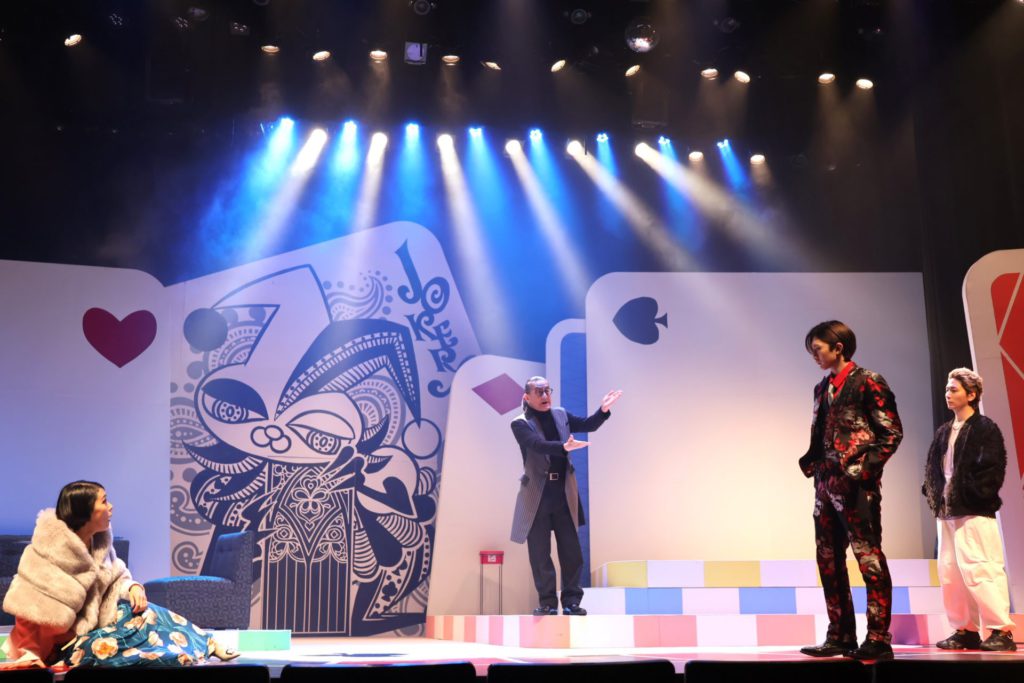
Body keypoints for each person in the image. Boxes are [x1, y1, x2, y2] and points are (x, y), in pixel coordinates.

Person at [1, 481, 240, 668]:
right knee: (103, 648)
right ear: (86, 512)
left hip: (94, 628)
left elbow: (117, 575)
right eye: (104, 501)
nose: (111, 506)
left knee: (143, 613)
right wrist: (29, 654)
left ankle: (206, 643)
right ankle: (171, 656)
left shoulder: (99, 543)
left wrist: (133, 587)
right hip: (60, 647)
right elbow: (27, 611)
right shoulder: (47, 553)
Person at [797, 321, 903, 661]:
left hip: (857, 486)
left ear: (838, 347)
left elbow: (891, 433)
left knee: (868, 559)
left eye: (817, 349)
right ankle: (840, 635)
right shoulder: (821, 388)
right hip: (825, 484)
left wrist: (863, 470)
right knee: (827, 558)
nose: (814, 356)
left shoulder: (869, 381)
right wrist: (817, 468)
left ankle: (878, 638)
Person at [510, 376, 622, 616]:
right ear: (526, 397)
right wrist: (563, 447)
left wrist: (603, 410)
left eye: (547, 391)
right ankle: (548, 603)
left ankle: (572, 602)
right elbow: (537, 445)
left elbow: (589, 424)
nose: (545, 396)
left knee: (572, 552)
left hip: (563, 492)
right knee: (540, 554)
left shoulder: (560, 415)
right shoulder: (519, 423)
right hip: (537, 495)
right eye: (539, 392)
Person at [922, 368, 1016, 651]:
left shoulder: (985, 428)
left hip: (974, 510)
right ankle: (965, 630)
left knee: (981, 567)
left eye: (954, 389)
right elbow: (933, 468)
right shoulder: (944, 431)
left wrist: (974, 494)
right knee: (951, 573)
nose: (948, 394)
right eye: (947, 389)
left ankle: (1001, 630)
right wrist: (933, 493)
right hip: (947, 511)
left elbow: (993, 468)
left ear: (971, 394)